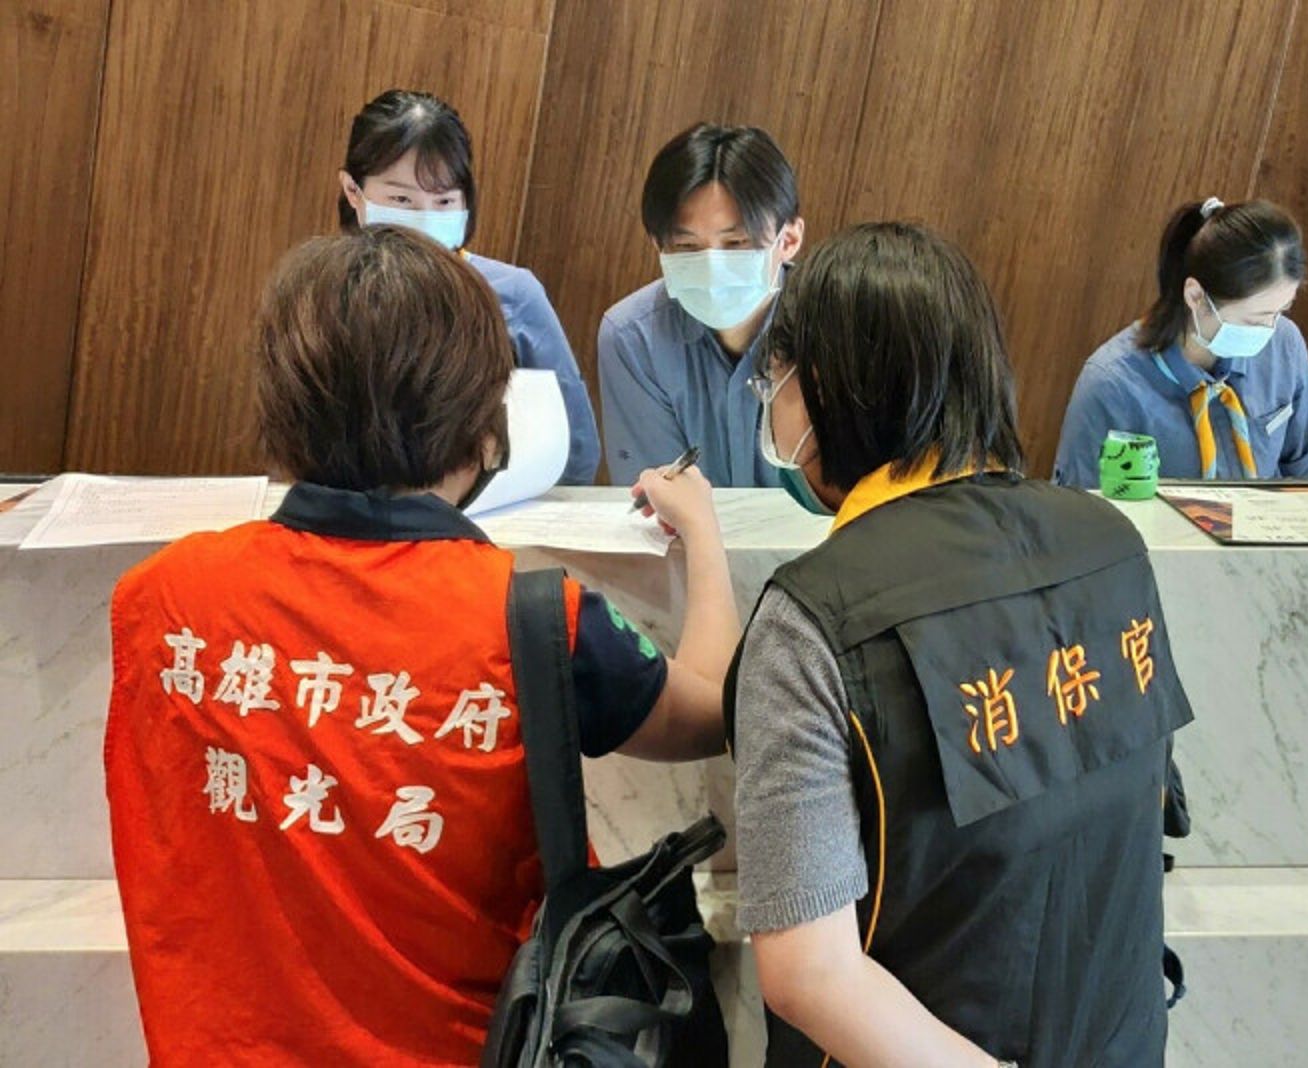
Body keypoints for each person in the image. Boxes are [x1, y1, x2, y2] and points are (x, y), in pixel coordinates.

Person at [105, 227, 739, 1066]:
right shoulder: (531, 620)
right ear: (484, 429)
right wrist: (705, 535)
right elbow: (711, 713)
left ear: (282, 410)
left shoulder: (157, 600)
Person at [729, 222, 1193, 1067]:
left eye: (776, 380)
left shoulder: (814, 617)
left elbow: (808, 973)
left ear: (823, 385)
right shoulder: (1109, 541)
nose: (773, 403)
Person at [337, 88, 601, 484]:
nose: (424, 218)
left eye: (443, 201)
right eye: (401, 199)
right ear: (352, 192)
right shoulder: (323, 293)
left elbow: (574, 449)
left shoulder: (513, 294)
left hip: (482, 511)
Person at [1053, 197, 1308, 487]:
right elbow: (1083, 509)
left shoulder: (1284, 344)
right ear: (1195, 296)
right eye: (1254, 320)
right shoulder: (1113, 386)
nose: (1270, 330)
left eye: (1281, 311)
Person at [599, 123, 804, 487]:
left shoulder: (839, 327)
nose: (712, 265)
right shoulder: (634, 337)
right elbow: (659, 498)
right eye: (687, 247)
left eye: (736, 243)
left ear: (788, 240)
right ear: (658, 246)